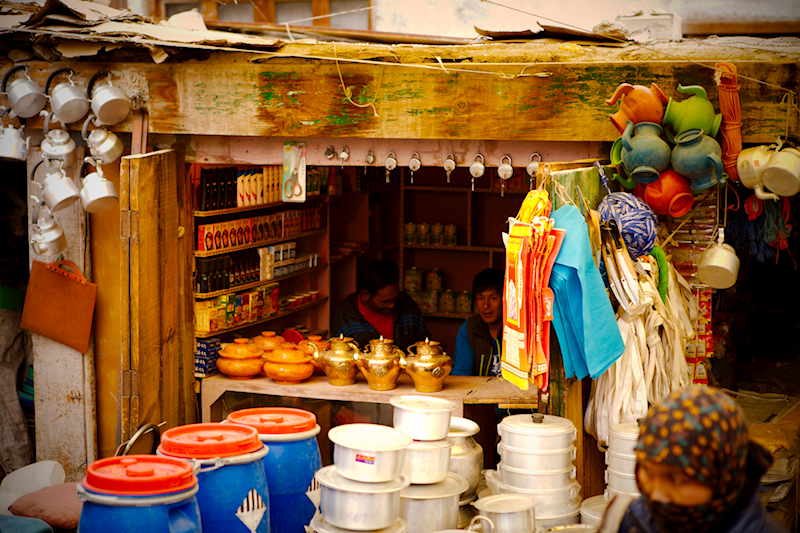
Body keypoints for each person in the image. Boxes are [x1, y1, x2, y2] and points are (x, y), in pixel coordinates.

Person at [600, 385, 787, 533]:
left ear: (722, 478)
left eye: (676, 479)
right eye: (647, 471)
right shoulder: (632, 519)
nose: (655, 494)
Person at [331, 259, 429, 349]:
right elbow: (339, 351)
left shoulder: (406, 303)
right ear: (366, 295)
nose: (392, 305)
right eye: (385, 302)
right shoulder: (347, 313)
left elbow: (424, 343)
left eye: (395, 298)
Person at [452, 268, 503, 377]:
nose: (486, 305)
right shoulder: (470, 328)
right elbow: (460, 373)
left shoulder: (518, 330)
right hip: (477, 388)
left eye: (493, 298)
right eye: (480, 298)